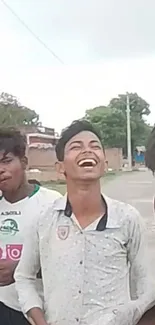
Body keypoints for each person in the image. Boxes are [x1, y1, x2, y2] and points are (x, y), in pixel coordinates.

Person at [15, 120, 155, 325]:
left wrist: (126, 316)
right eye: (76, 147)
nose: (88, 151)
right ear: (60, 167)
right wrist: (39, 319)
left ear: (105, 164)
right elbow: (24, 277)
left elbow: (147, 284)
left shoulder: (127, 219)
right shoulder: (43, 220)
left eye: (95, 146)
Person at [0, 127, 61, 325]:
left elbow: (68, 259)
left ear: (24, 162)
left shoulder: (52, 203)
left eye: (6, 161)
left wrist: (21, 269)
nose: (1, 169)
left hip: (42, 312)